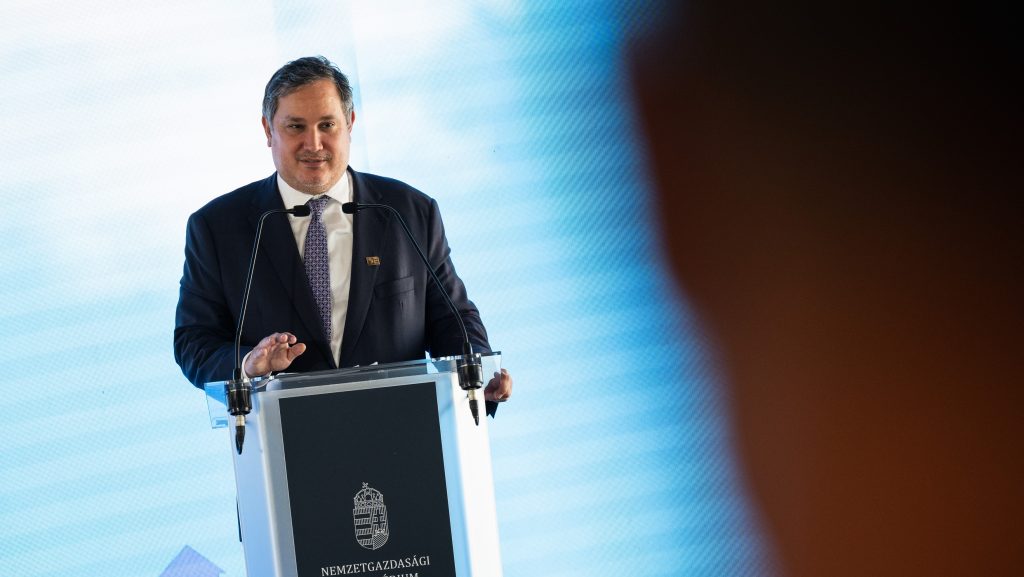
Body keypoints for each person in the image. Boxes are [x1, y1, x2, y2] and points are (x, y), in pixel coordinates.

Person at [174, 56, 511, 412]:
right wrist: (248, 363)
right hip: (284, 434)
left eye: (327, 125)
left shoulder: (408, 211)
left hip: (404, 427)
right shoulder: (217, 227)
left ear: (349, 123)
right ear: (267, 130)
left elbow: (451, 319)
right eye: (295, 127)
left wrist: (479, 371)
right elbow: (194, 342)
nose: (313, 144)